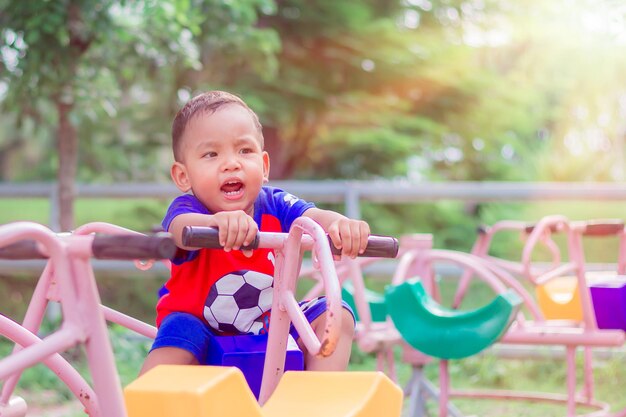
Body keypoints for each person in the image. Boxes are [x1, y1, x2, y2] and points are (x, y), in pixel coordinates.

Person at [140, 90, 370, 376]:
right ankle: (146, 399)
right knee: (178, 337)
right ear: (183, 176)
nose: (231, 163)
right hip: (198, 323)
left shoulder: (275, 203)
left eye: (244, 150)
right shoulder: (189, 207)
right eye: (211, 154)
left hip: (272, 322)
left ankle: (315, 399)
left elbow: (315, 218)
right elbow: (179, 228)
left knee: (337, 316)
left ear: (263, 166)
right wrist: (218, 223)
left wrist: (340, 224)